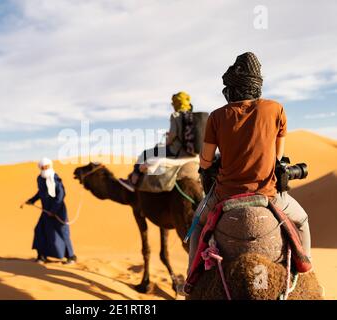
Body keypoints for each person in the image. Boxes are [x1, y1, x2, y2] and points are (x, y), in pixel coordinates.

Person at [188, 52, 312, 271]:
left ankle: (190, 278)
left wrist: (212, 165)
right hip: (268, 193)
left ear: (232, 89)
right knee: (302, 220)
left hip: (225, 194)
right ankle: (305, 266)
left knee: (198, 223)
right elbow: (277, 158)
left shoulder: (216, 116)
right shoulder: (276, 109)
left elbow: (206, 162)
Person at [118, 91, 195, 192]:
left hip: (175, 150)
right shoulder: (192, 116)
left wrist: (167, 141)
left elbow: (172, 136)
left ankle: (133, 181)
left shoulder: (176, 115)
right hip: (189, 151)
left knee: (145, 154)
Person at [23, 158, 76, 265]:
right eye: (43, 167)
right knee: (40, 230)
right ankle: (41, 256)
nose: (45, 168)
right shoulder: (40, 178)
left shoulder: (55, 178)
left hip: (58, 211)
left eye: (46, 166)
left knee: (63, 233)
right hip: (46, 211)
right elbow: (41, 192)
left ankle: (71, 256)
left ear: (50, 166)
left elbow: (61, 195)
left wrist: (54, 210)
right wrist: (32, 200)